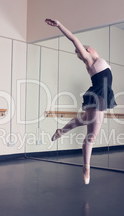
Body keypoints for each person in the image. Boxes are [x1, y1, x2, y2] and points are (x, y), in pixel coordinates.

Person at [45, 18, 117, 184]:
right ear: (87, 52)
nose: (88, 47)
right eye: (85, 49)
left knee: (84, 120)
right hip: (98, 94)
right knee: (92, 136)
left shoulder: (101, 60)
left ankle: (61, 131)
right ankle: (86, 167)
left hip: (104, 95)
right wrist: (60, 25)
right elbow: (74, 39)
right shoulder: (90, 61)